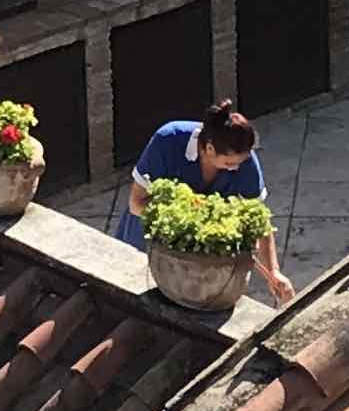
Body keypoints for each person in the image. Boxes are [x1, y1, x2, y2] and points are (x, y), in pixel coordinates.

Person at [111, 98, 295, 302]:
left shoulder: (245, 163)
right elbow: (136, 203)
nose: (235, 169)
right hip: (144, 242)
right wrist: (189, 221)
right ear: (209, 149)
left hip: (196, 266)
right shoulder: (168, 140)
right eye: (228, 163)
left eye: (239, 162)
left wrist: (274, 271)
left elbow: (259, 221)